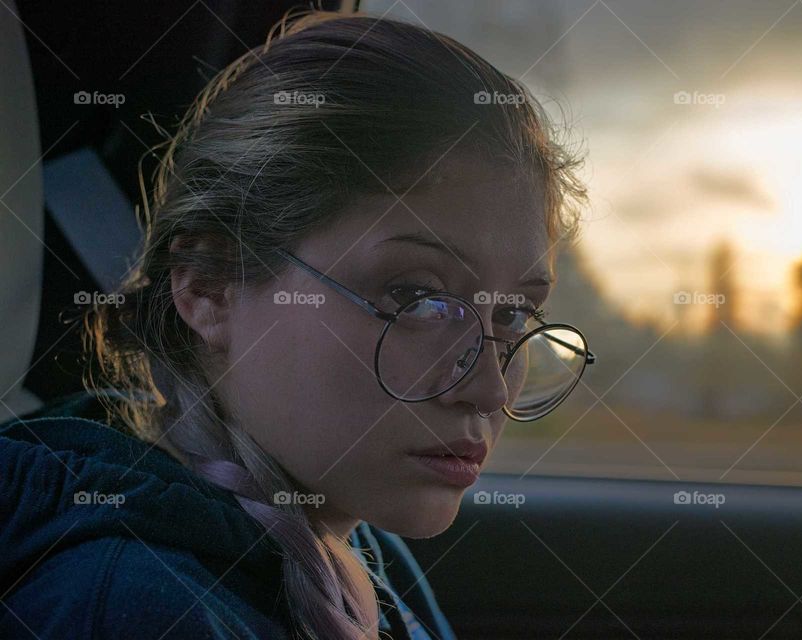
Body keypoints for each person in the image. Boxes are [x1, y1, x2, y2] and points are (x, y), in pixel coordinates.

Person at [0, 8, 592, 639]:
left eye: (514, 313)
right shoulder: (133, 608)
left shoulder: (357, 554)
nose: (490, 390)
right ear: (207, 285)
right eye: (415, 296)